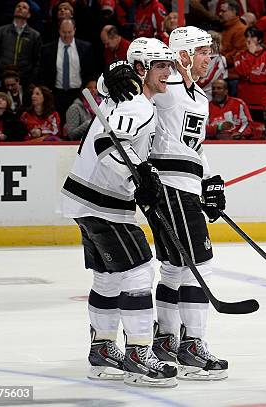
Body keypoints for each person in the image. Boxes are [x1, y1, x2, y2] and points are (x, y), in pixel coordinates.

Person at [104, 26, 230, 381]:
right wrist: (109, 77)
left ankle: (166, 340)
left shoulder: (199, 98)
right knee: (199, 265)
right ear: (185, 55)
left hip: (186, 186)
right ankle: (192, 346)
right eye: (204, 51)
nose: (210, 58)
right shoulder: (169, 86)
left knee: (176, 267)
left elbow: (195, 149)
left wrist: (210, 181)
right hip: (169, 187)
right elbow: (125, 86)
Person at [61, 37, 179, 387]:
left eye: (169, 66)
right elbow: (106, 145)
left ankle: (102, 349)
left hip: (85, 198)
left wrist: (143, 175)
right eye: (161, 66)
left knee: (108, 277)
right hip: (103, 202)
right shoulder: (138, 105)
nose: (168, 73)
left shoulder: (124, 97)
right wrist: (136, 174)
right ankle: (138, 353)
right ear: (141, 69)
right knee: (140, 271)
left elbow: (107, 89)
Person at [40, 18, 94, 122]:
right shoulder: (47, 49)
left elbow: (90, 71)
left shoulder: (85, 47)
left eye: (70, 32)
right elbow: (43, 72)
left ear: (74, 30)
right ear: (59, 31)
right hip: (56, 93)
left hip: (77, 93)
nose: (67, 35)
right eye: (64, 32)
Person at [0, 1, 42, 90]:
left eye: (24, 7)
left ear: (29, 15)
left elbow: (37, 60)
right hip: (1, 79)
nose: (20, 8)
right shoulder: (1, 31)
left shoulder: (35, 35)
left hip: (24, 82)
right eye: (18, 6)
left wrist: (31, 79)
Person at [234, 27, 266, 122]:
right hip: (245, 101)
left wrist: (252, 78)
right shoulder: (239, 56)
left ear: (259, 39)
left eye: (252, 37)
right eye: (247, 36)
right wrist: (250, 54)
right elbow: (243, 73)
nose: (248, 39)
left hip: (263, 102)